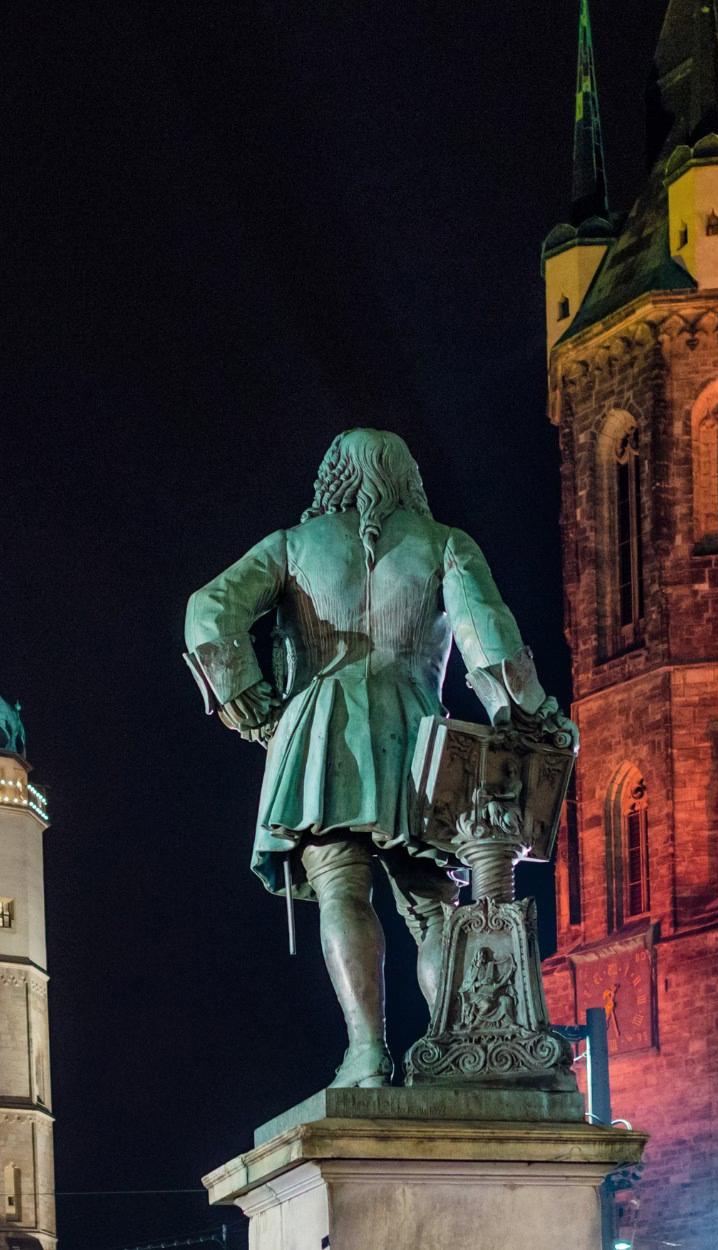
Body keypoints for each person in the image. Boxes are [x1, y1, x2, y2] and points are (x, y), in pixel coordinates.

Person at [184, 428, 566, 1088]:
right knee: (433, 906)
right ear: (407, 477)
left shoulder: (293, 546)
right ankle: (464, 1042)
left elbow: (207, 611)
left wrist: (254, 707)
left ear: (333, 477)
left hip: (316, 731)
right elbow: (490, 642)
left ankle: (365, 1053)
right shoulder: (444, 543)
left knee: (341, 887)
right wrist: (531, 716)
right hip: (419, 735)